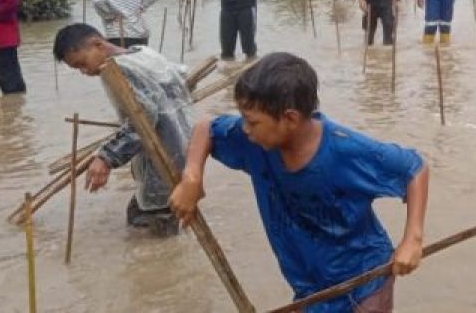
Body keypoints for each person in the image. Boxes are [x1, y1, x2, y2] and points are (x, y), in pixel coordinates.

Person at [169, 52, 428, 313]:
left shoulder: (345, 150)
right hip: (309, 288)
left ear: (290, 119)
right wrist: (192, 176)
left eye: (252, 121)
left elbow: (414, 168)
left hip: (363, 282)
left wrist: (412, 239)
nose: (245, 129)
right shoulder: (256, 142)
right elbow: (206, 128)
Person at [53, 23, 194, 236]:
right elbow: (180, 76)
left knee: (153, 227)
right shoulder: (144, 54)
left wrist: (106, 157)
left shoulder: (118, 69)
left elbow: (144, 119)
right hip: (184, 149)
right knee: (148, 217)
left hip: (162, 161)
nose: (85, 71)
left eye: (82, 63)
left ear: (97, 44)